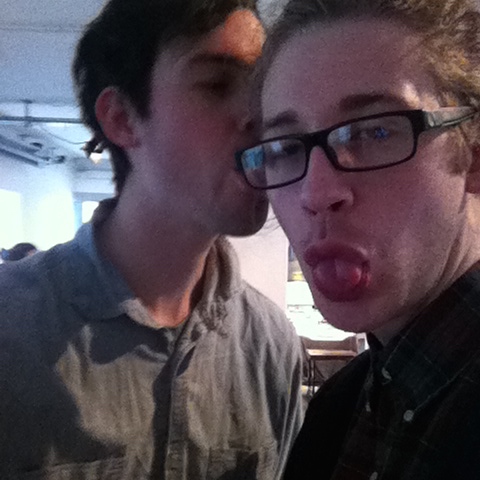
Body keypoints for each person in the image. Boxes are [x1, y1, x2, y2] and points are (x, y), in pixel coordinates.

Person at [0, 0, 303, 478]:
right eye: (217, 85)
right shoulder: (12, 330)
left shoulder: (271, 344)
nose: (259, 116)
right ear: (121, 118)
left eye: (261, 89)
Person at [235, 0, 480, 478]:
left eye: (375, 131)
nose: (315, 194)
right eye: (286, 148)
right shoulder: (338, 408)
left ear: (472, 155)